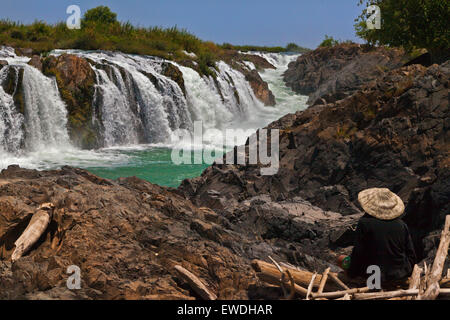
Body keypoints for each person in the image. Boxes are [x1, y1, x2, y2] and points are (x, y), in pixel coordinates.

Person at [341, 188, 417, 289]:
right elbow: (411, 255)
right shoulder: (401, 225)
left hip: (373, 273)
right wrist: (406, 271)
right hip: (399, 273)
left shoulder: (365, 223)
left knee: (340, 259)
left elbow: (358, 253)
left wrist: (352, 273)